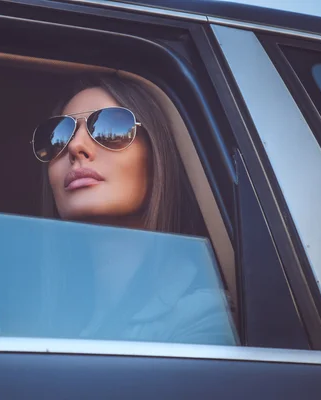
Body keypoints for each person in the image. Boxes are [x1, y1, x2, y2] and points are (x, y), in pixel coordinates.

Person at [31, 74, 237, 345]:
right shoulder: (42, 316)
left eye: (111, 127)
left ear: (157, 155)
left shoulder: (203, 318)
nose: (75, 146)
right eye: (57, 136)